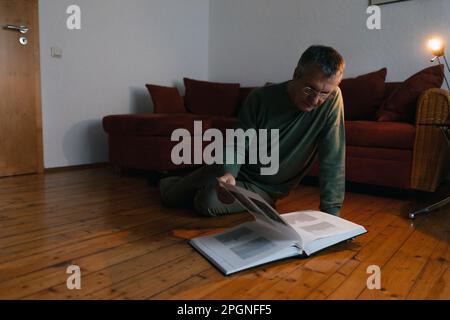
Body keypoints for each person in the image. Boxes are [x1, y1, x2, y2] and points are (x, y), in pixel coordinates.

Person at [159, 45, 346, 217]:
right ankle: (169, 181)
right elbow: (238, 142)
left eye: (324, 93)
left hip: (265, 189)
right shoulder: (260, 98)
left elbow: (333, 158)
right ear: (297, 73)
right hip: (235, 171)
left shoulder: (333, 100)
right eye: (309, 89)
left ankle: (193, 181)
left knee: (206, 202)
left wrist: (332, 215)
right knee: (171, 198)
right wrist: (229, 173)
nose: (315, 100)